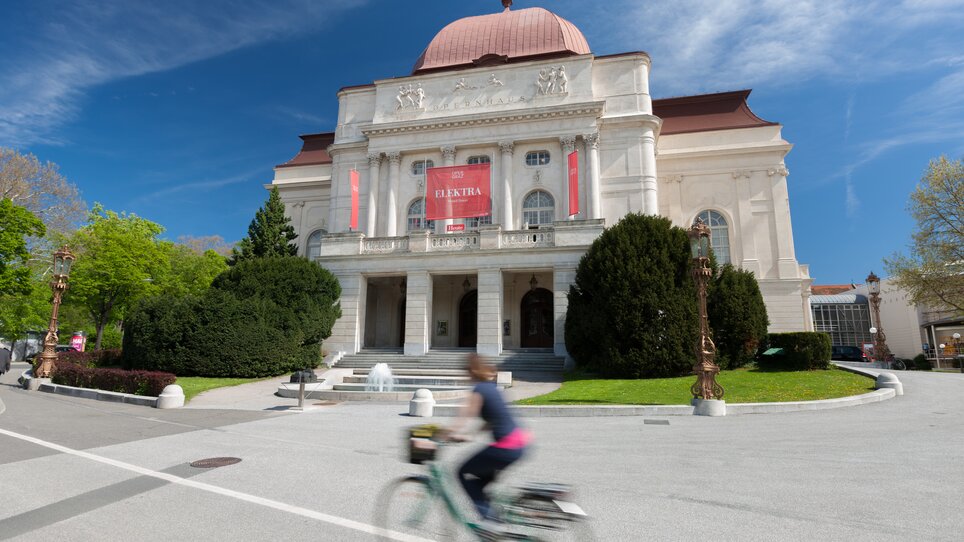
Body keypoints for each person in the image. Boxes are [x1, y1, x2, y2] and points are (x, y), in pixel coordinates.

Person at [445, 354, 531, 522]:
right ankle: (494, 512)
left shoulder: (478, 391)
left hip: (506, 447)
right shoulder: (491, 387)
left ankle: (490, 522)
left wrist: (445, 434)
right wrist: (471, 435)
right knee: (481, 478)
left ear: (471, 371)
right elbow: (493, 420)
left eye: (466, 372)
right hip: (520, 443)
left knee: (461, 471)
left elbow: (463, 418)